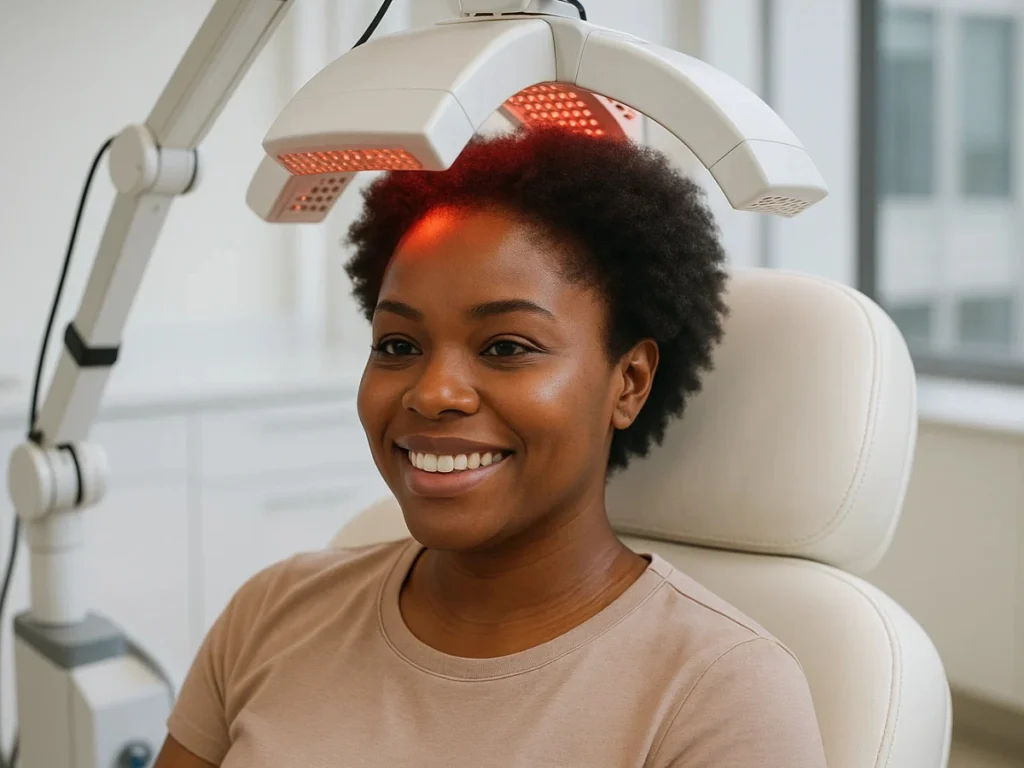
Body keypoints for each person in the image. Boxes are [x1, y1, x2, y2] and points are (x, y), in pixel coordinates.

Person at [155, 128, 827, 767]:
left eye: (506, 347)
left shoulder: (720, 691)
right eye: (398, 346)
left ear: (629, 383)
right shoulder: (274, 613)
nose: (433, 392)